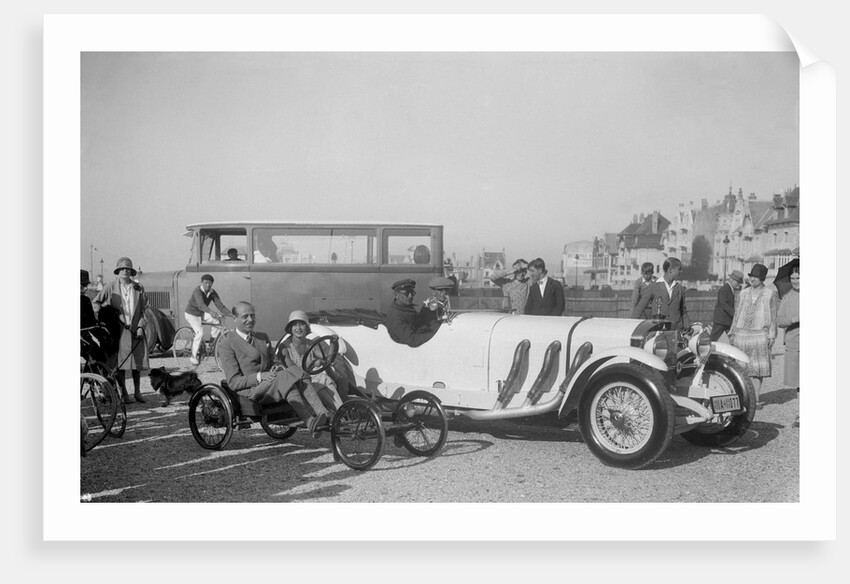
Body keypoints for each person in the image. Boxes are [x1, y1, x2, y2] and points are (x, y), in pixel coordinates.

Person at [217, 301, 331, 436]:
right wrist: (260, 376)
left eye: (253, 316)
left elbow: (275, 362)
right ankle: (310, 420)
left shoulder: (262, 337)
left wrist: (277, 368)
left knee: (296, 372)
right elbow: (234, 382)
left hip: (272, 382)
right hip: (251, 391)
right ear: (235, 319)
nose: (250, 320)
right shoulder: (227, 344)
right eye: (245, 316)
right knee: (287, 376)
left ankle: (323, 414)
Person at [93, 257, 149, 403]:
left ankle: (138, 392)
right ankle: (124, 392)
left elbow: (145, 309)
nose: (125, 271)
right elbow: (96, 302)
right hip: (119, 330)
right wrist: (106, 314)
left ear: (131, 271)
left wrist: (141, 326)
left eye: (128, 268)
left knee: (137, 361)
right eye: (122, 268)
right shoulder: (111, 287)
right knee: (122, 361)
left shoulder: (139, 288)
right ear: (117, 271)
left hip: (136, 329)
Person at [729, 263, 778, 409]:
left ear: (762, 279)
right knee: (741, 367)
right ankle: (743, 397)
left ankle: (756, 399)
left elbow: (774, 316)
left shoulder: (770, 294)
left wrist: (772, 335)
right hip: (742, 333)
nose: (752, 279)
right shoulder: (743, 293)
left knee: (757, 369)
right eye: (751, 276)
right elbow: (737, 313)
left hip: (759, 334)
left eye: (756, 277)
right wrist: (732, 331)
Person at [278, 310, 344, 413]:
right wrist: (312, 363)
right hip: (297, 381)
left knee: (325, 380)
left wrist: (333, 344)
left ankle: (342, 410)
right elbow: (293, 370)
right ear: (290, 328)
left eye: (302, 325)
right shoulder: (285, 347)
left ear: (307, 327)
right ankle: (340, 412)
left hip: (312, 377)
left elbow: (327, 359)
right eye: (295, 325)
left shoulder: (311, 344)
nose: (298, 328)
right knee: (318, 385)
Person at [184, 274, 233, 366]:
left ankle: (211, 342)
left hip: (202, 313)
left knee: (218, 320)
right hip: (192, 314)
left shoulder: (212, 292)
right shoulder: (197, 291)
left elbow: (220, 306)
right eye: (206, 283)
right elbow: (201, 305)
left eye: (210, 283)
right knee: (200, 333)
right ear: (201, 283)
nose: (208, 285)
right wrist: (211, 312)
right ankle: (193, 356)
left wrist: (232, 315)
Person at [631, 257, 690, 332]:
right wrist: (631, 325)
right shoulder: (654, 286)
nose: (681, 271)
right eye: (679, 269)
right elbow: (639, 308)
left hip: (677, 332)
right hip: (659, 332)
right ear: (670, 270)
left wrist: (688, 327)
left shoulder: (680, 289)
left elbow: (683, 311)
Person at [385, 279, 442, 347]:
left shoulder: (405, 307)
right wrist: (435, 334)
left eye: (412, 293)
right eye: (406, 293)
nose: (410, 296)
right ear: (396, 295)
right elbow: (412, 340)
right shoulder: (395, 316)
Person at [776, 265, 799, 390]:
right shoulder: (787, 297)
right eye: (793, 278)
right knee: (798, 382)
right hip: (794, 344)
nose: (795, 281)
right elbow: (779, 321)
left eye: (798, 278)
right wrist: (793, 320)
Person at [710, 270, 744, 342]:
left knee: (732, 338)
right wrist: (734, 314)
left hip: (725, 320)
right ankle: (707, 352)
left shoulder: (729, 289)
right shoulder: (724, 289)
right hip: (721, 320)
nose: (738, 284)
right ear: (732, 280)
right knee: (713, 339)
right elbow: (724, 304)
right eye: (737, 282)